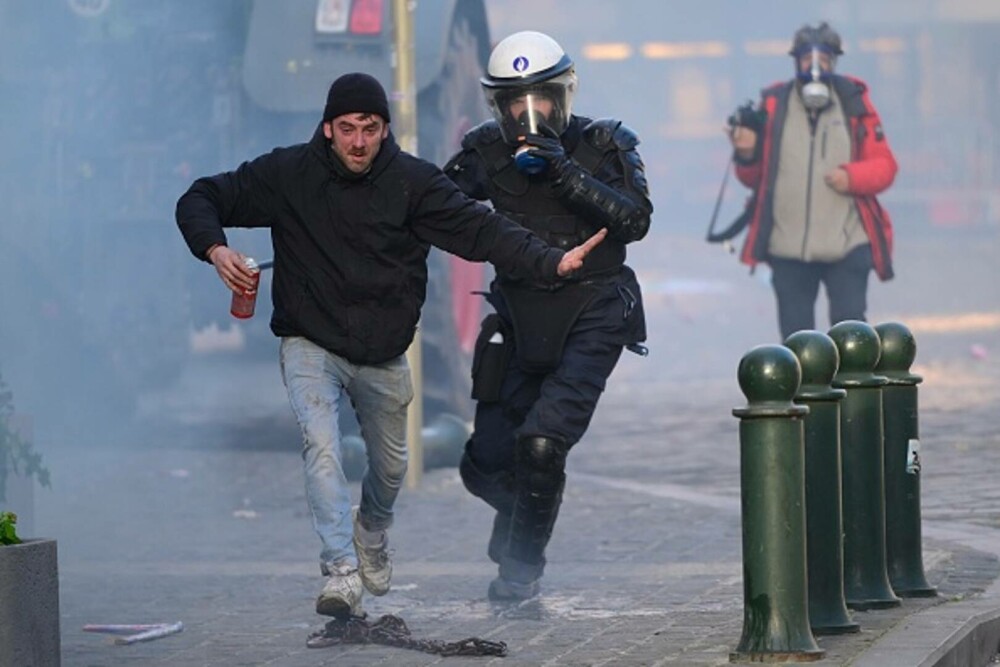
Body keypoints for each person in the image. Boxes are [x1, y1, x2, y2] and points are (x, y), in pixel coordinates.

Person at [175, 72, 607, 619]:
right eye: (348, 128)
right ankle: (339, 570)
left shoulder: (413, 184)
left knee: (391, 468)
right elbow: (202, 196)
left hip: (382, 352)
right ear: (328, 128)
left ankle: (372, 532)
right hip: (309, 341)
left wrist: (552, 259)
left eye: (371, 129)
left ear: (385, 129)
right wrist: (216, 249)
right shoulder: (288, 174)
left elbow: (482, 229)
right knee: (322, 447)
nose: (359, 142)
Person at [443, 31, 652, 601]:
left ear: (563, 97)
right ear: (500, 107)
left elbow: (635, 221)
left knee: (541, 445)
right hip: (518, 314)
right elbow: (432, 205)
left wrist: (564, 172)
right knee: (481, 465)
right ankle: (520, 519)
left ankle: (519, 570)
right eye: (516, 104)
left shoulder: (606, 142)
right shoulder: (485, 150)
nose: (530, 115)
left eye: (542, 100)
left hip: (595, 310)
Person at [726, 22, 898, 340]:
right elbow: (754, 179)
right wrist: (746, 153)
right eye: (807, 57)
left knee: (851, 338)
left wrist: (852, 177)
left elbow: (886, 166)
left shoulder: (855, 103)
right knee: (798, 344)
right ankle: (803, 391)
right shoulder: (773, 105)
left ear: (835, 61)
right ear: (795, 61)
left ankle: (850, 392)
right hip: (787, 248)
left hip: (847, 243)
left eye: (825, 56)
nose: (815, 64)